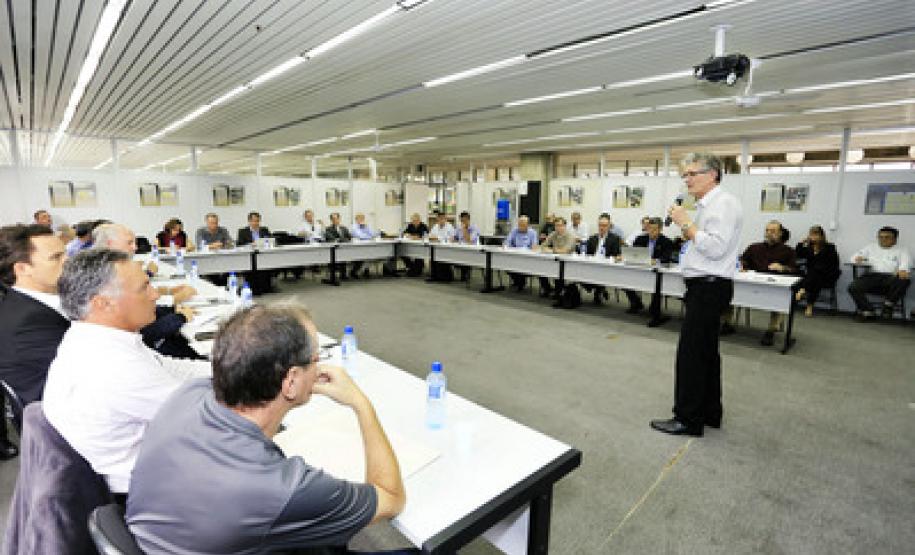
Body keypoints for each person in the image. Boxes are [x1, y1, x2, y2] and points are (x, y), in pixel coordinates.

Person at [126, 306, 408, 554]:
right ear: (291, 381)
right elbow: (391, 498)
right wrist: (362, 405)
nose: (319, 365)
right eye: (315, 359)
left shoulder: (188, 393)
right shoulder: (285, 487)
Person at [42, 249, 211, 494]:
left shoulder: (98, 337)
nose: (155, 295)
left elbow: (172, 367)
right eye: (144, 288)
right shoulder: (111, 366)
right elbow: (208, 419)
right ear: (103, 303)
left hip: (160, 458)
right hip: (161, 488)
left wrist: (232, 368)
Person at [650, 153, 742, 437]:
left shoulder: (723, 204)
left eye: (692, 174)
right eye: (685, 175)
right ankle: (710, 412)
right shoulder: (711, 204)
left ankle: (688, 419)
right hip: (706, 285)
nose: (686, 180)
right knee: (706, 353)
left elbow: (715, 248)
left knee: (691, 355)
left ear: (712, 174)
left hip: (708, 286)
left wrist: (686, 224)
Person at [0, 224, 69, 460]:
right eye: (56, 257)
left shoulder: (37, 303)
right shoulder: (27, 322)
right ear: (22, 268)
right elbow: (91, 373)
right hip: (65, 433)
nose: (68, 261)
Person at [92, 223, 201, 359]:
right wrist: (180, 317)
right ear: (110, 244)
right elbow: (144, 333)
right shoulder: (107, 277)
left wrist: (172, 309)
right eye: (129, 243)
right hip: (147, 350)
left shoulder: (111, 269)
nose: (135, 248)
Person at [727, 221, 796, 346]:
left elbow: (794, 269)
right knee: (730, 291)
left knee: (779, 300)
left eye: (773, 231)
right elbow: (743, 260)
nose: (769, 233)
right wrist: (742, 265)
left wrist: (782, 268)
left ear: (780, 233)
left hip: (774, 285)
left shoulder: (788, 251)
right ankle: (727, 323)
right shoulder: (754, 247)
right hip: (752, 282)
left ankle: (771, 330)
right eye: (767, 230)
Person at [848, 226, 911, 320]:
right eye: (880, 237)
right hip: (872, 276)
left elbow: (906, 263)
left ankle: (888, 305)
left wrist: (903, 270)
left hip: (890, 278)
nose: (883, 239)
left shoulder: (902, 250)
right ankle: (868, 311)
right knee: (853, 286)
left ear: (895, 239)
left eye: (887, 237)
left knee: (904, 280)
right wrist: (858, 259)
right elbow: (854, 257)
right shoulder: (870, 247)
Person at [624, 217, 674, 327]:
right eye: (650, 229)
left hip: (655, 272)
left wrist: (655, 260)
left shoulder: (667, 242)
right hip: (640, 270)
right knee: (624, 279)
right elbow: (633, 254)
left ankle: (655, 313)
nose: (651, 232)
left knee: (657, 286)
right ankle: (636, 303)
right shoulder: (640, 239)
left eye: (654, 229)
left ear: (660, 229)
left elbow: (666, 259)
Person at [794, 225, 841, 317]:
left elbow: (833, 264)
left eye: (816, 234)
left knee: (816, 273)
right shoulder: (809, 248)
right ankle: (809, 305)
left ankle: (803, 290)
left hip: (827, 275)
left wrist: (820, 269)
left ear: (821, 236)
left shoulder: (830, 247)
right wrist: (801, 243)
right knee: (814, 277)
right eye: (811, 234)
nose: (813, 237)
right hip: (813, 277)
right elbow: (798, 254)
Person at [582, 215, 622, 305]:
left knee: (598, 273)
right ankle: (599, 289)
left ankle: (598, 290)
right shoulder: (592, 238)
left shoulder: (615, 239)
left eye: (604, 225)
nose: (602, 228)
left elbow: (617, 255)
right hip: (592, 264)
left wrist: (612, 259)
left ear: (609, 226)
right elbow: (587, 254)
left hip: (606, 266)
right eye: (600, 225)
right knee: (578, 274)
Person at [538, 216, 574, 298]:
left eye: (560, 225)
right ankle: (547, 289)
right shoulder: (553, 234)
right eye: (556, 225)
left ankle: (559, 292)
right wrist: (549, 249)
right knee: (540, 270)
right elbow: (543, 246)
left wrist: (551, 250)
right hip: (554, 260)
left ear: (565, 226)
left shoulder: (570, 236)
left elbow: (565, 251)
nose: (558, 228)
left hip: (567, 263)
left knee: (558, 273)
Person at [503, 215, 538, 291]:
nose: (521, 227)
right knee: (507, 266)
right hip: (515, 256)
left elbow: (534, 246)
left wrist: (530, 249)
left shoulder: (532, 233)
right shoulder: (514, 230)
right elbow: (507, 242)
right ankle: (519, 282)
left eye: (523, 225)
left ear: (528, 225)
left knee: (521, 267)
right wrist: (506, 245)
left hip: (527, 258)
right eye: (519, 224)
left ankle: (520, 283)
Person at [428, 212, 456, 282]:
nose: (441, 220)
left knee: (441, 259)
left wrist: (438, 238)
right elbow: (430, 236)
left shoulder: (450, 227)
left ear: (445, 219)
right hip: (436, 247)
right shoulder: (435, 226)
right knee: (432, 257)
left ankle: (445, 277)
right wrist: (434, 238)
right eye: (439, 218)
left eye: (443, 218)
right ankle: (434, 276)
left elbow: (451, 238)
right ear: (437, 219)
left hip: (447, 249)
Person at [324, 213, 353, 282]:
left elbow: (349, 237)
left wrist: (341, 239)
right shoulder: (328, 229)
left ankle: (344, 274)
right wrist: (342, 239)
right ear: (331, 220)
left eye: (337, 218)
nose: (335, 220)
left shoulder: (344, 228)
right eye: (333, 219)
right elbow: (331, 238)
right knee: (337, 257)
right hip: (334, 250)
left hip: (344, 249)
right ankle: (335, 276)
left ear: (339, 219)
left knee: (345, 255)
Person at [454, 211, 481, 281]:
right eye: (461, 221)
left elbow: (469, 240)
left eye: (463, 221)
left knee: (463, 255)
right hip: (460, 249)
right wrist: (453, 238)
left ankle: (465, 274)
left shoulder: (475, 228)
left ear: (468, 219)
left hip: (472, 251)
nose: (462, 223)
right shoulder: (459, 227)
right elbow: (455, 238)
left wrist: (464, 229)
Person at [349, 213, 376, 279]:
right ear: (356, 219)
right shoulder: (353, 227)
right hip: (357, 247)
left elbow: (373, 234)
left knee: (370, 254)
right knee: (361, 256)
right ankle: (354, 271)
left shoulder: (366, 226)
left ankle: (366, 270)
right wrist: (369, 237)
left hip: (367, 245)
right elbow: (360, 236)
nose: (361, 220)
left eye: (362, 218)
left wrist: (366, 228)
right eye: (359, 218)